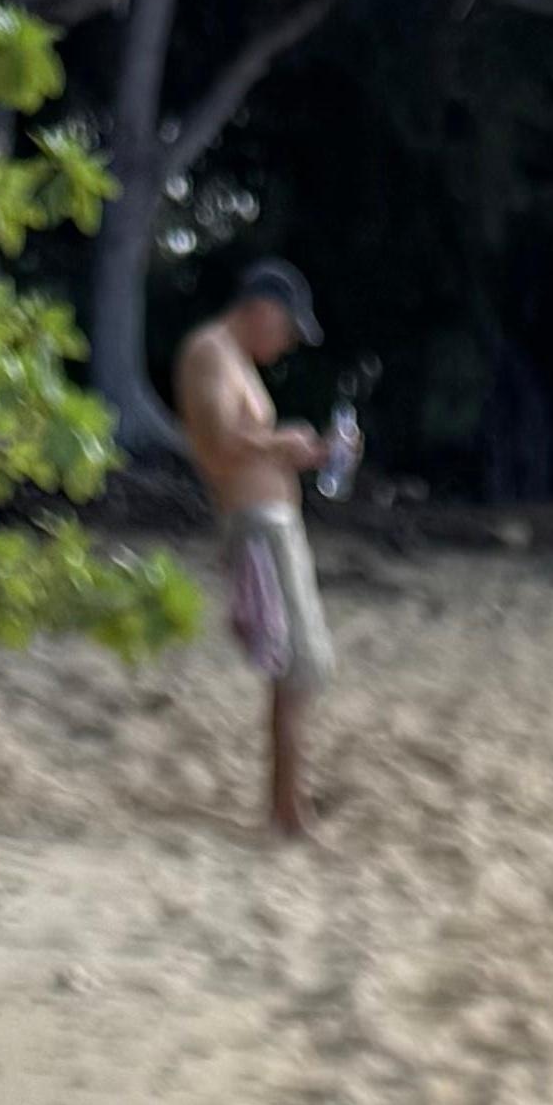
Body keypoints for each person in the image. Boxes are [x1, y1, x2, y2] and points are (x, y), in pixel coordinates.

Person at [174, 259, 357, 845]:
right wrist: (286, 443)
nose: (286, 345)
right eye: (287, 330)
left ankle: (289, 806)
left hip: (274, 523)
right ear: (262, 310)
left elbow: (244, 443)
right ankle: (288, 814)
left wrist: (319, 452)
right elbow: (218, 446)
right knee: (295, 665)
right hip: (255, 525)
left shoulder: (237, 363)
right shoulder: (209, 353)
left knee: (301, 667)